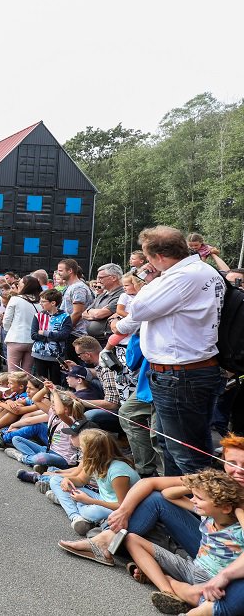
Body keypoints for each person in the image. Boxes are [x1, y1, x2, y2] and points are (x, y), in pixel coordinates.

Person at [112, 226, 225, 476]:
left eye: (146, 257)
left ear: (158, 257)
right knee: (170, 445)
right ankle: (180, 505)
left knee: (188, 454)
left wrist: (144, 280)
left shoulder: (182, 278)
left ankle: (200, 512)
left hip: (181, 374)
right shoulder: (201, 271)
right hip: (184, 371)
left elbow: (139, 308)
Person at [124, 470, 244, 615]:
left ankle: (161, 578)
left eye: (199, 498)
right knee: (131, 539)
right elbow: (167, 494)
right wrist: (195, 485)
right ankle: (167, 591)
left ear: (225, 508)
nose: (193, 500)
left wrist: (238, 510)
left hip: (211, 582)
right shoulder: (207, 514)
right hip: (191, 567)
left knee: (209, 601)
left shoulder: (238, 530)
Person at [49, 427, 140, 535]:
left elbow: (122, 506)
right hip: (102, 499)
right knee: (55, 480)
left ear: (91, 451)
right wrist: (67, 479)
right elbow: (81, 480)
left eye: (82, 447)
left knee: (91, 512)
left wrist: (89, 500)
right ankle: (77, 517)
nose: (80, 450)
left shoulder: (118, 472)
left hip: (119, 508)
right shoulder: (94, 461)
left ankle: (69, 503)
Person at [31, 288, 72, 384]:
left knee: (56, 382)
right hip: (39, 353)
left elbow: (64, 335)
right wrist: (54, 336)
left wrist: (45, 333)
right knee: (40, 382)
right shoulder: (38, 316)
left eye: (43, 301)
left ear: (53, 303)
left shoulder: (65, 317)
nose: (40, 304)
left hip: (56, 355)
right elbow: (34, 335)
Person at [2, 275, 41, 373]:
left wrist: (8, 330)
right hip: (32, 340)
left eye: (20, 284)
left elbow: (6, 320)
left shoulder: (15, 299)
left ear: (26, 286)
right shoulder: (40, 302)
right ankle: (26, 388)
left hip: (15, 338)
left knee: (13, 372)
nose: (18, 285)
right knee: (27, 372)